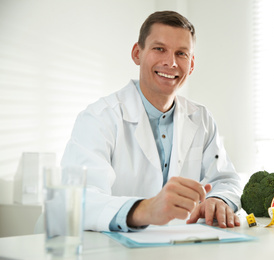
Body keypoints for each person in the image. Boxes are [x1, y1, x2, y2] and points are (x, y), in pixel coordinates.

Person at [61, 10, 242, 232]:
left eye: (181, 53)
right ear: (137, 53)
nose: (171, 62)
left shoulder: (201, 118)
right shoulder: (99, 118)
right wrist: (145, 209)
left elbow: (226, 180)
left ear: (191, 64)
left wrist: (220, 200)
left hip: (178, 245)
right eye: (159, 49)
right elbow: (77, 198)